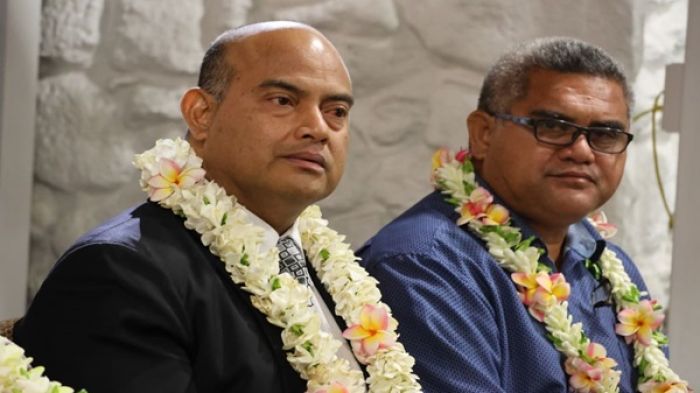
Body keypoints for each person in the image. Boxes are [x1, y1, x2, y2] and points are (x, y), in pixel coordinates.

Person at [13, 21, 420, 393]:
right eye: (282, 100)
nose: (316, 128)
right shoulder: (121, 273)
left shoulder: (330, 274)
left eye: (337, 112)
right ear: (201, 114)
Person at [358, 38, 688, 392]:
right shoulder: (423, 263)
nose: (580, 150)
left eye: (605, 134)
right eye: (554, 126)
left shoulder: (609, 265)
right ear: (483, 134)